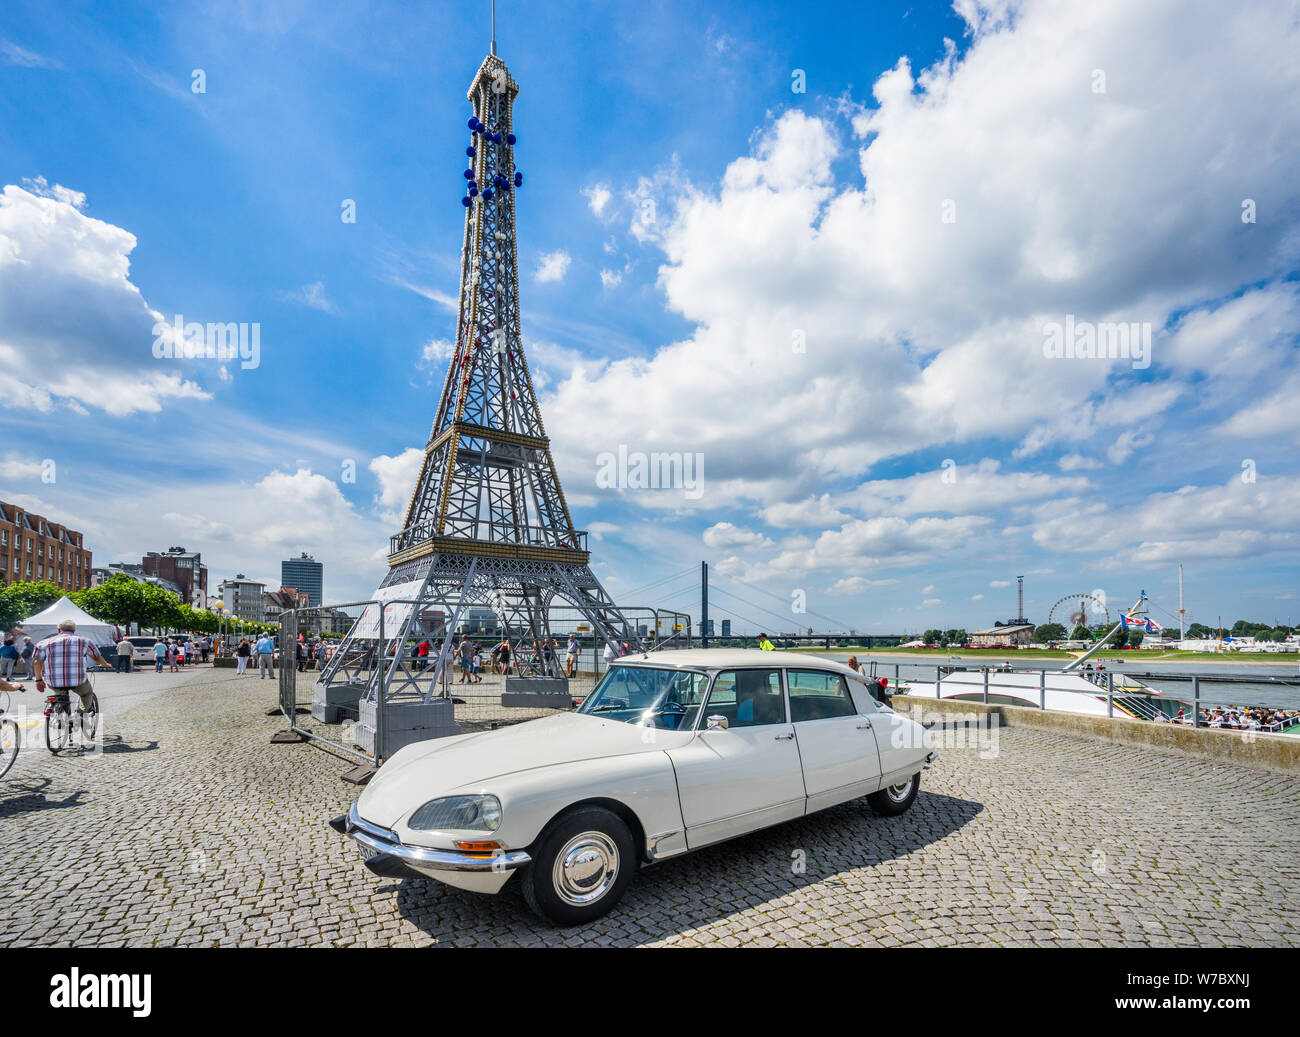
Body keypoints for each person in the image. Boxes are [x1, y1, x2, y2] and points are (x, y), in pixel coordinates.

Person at [33, 619, 112, 716]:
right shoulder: (85, 641)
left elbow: (37, 662)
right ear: (74, 631)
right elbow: (96, 657)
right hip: (78, 681)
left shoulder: (44, 643)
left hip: (54, 681)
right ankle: (79, 713)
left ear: (59, 630)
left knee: (59, 694)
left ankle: (58, 711)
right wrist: (105, 664)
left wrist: (38, 680)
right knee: (86, 693)